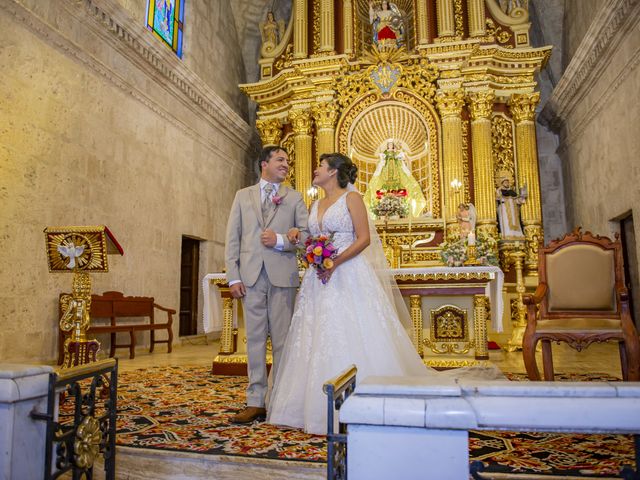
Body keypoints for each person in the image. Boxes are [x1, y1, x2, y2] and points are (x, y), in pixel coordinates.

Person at [267, 153, 504, 435]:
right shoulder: (316, 203)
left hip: (346, 272)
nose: (315, 169)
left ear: (333, 172)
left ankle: (359, 402)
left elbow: (364, 238)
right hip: (319, 278)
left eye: (320, 165)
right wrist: (298, 236)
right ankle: (307, 406)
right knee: (315, 333)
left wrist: (335, 262)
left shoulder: (352, 199)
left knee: (351, 330)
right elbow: (313, 238)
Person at [225, 146, 309, 424]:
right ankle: (255, 401)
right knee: (255, 340)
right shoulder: (242, 196)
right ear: (264, 164)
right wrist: (233, 276)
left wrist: (283, 240)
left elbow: (307, 237)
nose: (286, 164)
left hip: (282, 277)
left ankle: (281, 400)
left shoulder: (294, 198)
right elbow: (233, 239)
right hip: (250, 278)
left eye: (287, 160)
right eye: (280, 160)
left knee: (284, 340)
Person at [495, 172, 526, 239]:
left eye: (507, 182)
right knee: (506, 223)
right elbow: (498, 199)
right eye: (505, 182)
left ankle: (517, 235)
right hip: (504, 210)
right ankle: (507, 235)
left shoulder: (512, 192)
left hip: (513, 211)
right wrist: (499, 191)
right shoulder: (500, 191)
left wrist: (522, 196)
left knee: (515, 222)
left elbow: (517, 200)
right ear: (502, 183)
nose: (506, 183)